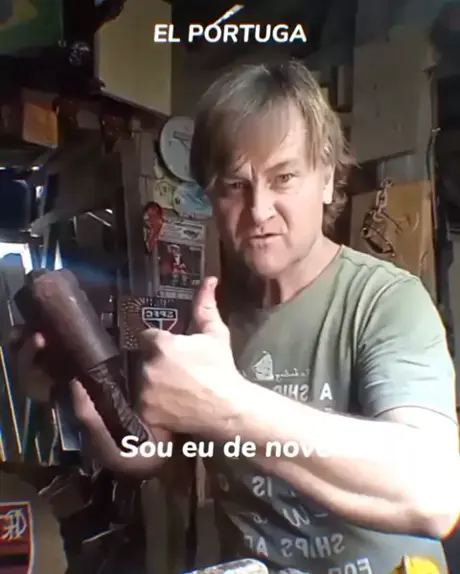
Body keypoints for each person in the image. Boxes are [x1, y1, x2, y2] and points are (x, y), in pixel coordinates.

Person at [14, 61, 460, 574]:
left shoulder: (386, 301)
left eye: (284, 177)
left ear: (326, 180)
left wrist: (227, 408)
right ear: (210, 196)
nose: (259, 210)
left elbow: (434, 494)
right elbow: (151, 455)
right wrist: (85, 399)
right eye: (235, 185)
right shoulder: (211, 314)